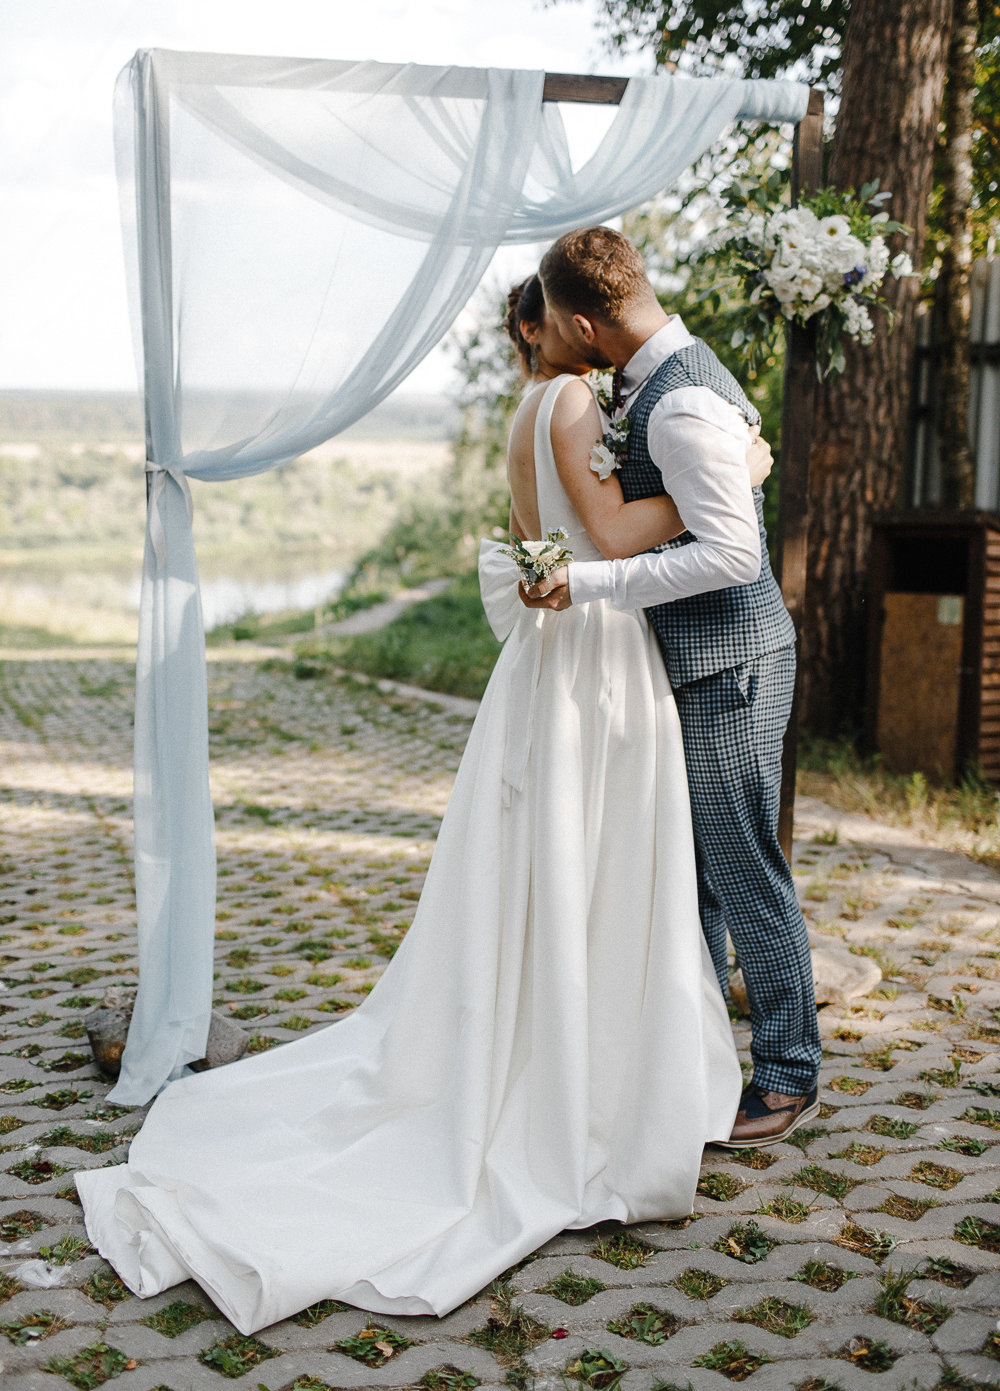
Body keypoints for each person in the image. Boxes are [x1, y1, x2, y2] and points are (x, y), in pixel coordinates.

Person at [75, 274, 767, 1335]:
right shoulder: (572, 401)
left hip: (552, 651)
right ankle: (587, 1082)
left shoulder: (526, 410)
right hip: (596, 648)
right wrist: (726, 478)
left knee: (559, 858)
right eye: (568, 321)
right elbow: (609, 533)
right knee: (601, 856)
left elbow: (537, 542)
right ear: (550, 327)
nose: (584, 336)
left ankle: (569, 1043)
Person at [522, 227, 822, 1148]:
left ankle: (788, 1074)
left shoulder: (679, 402)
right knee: (693, 874)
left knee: (741, 868)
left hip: (731, 664)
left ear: (582, 324)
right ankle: (693, 1061)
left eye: (555, 327)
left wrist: (592, 583)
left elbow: (733, 555)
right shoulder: (657, 378)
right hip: (700, 661)